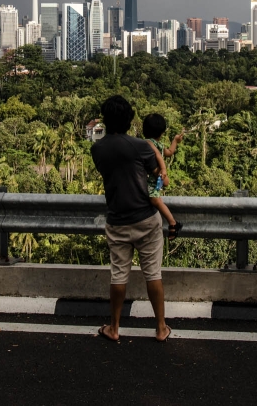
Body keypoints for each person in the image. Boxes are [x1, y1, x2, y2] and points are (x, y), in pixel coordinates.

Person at [90, 95, 172, 343]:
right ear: (129, 119)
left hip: (117, 220)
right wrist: (161, 162)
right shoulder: (141, 146)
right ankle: (160, 328)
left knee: (118, 275)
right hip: (146, 218)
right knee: (153, 274)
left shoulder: (97, 148)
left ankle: (114, 328)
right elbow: (156, 173)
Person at [141, 113, 184, 238]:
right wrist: (175, 141)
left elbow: (160, 155)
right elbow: (170, 152)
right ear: (162, 132)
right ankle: (172, 223)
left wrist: (163, 170)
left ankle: (173, 223)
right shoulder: (158, 145)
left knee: (155, 199)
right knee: (156, 199)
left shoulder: (148, 143)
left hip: (152, 180)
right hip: (157, 179)